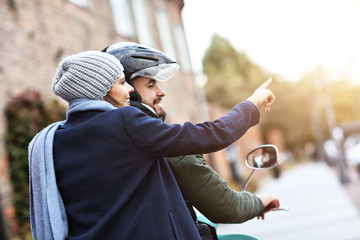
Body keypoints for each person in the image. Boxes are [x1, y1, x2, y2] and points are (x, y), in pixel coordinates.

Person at [28, 50, 276, 240]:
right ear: (101, 89)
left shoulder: (55, 140)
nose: (129, 92)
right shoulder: (125, 122)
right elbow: (208, 136)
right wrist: (251, 106)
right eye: (121, 83)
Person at [102, 43, 279, 236]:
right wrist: (261, 201)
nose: (161, 92)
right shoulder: (156, 140)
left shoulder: (93, 138)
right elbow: (227, 206)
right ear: (129, 93)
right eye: (151, 85)